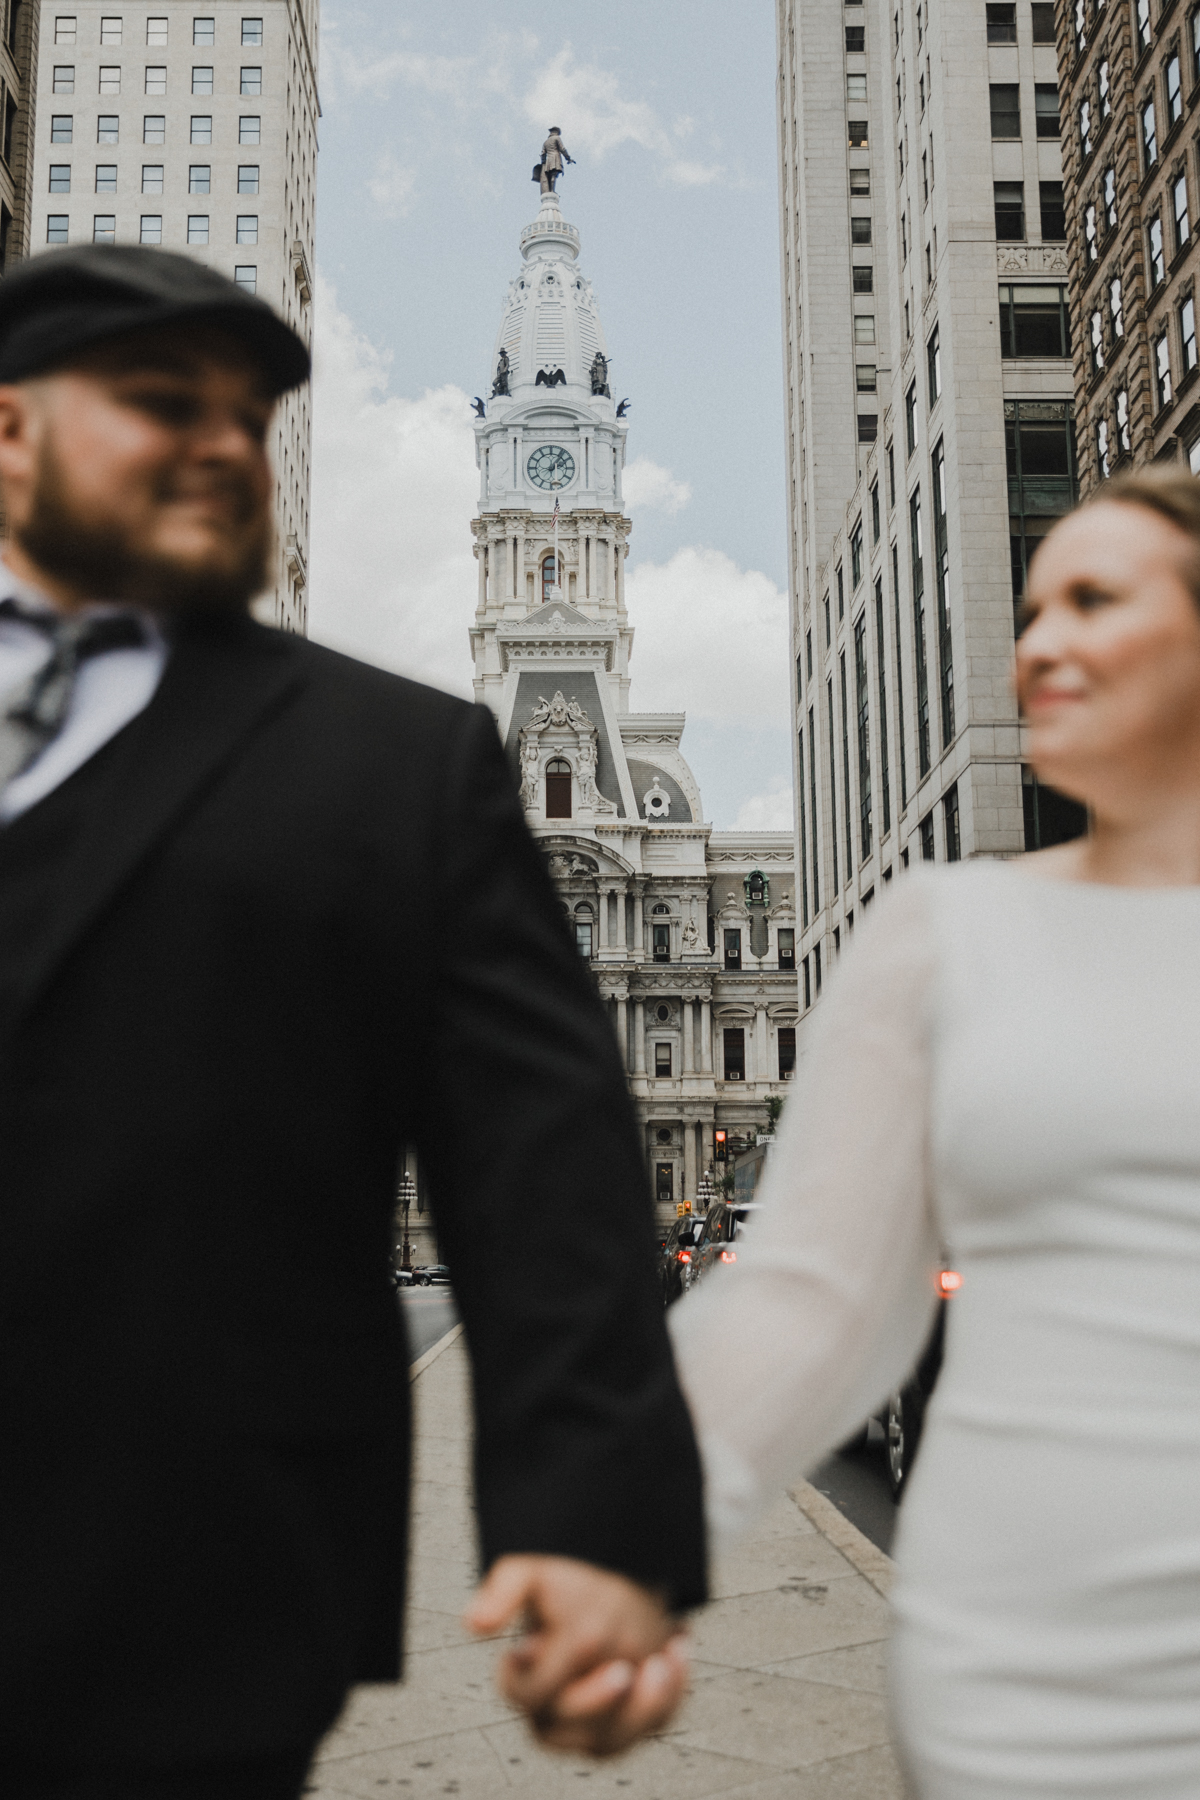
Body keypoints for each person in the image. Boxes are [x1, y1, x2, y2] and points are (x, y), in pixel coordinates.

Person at [0, 245, 704, 1797]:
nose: (221, 446)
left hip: (190, 1588)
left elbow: (543, 1174)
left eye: (248, 417)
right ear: (13, 437)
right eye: (158, 403)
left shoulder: (393, 768)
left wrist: (595, 1526)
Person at [669, 468, 1200, 1799]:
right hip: (1020, 1671)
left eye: (1092, 599)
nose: (1037, 646)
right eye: (1030, 611)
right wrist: (611, 1531)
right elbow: (810, 1300)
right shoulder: (944, 933)